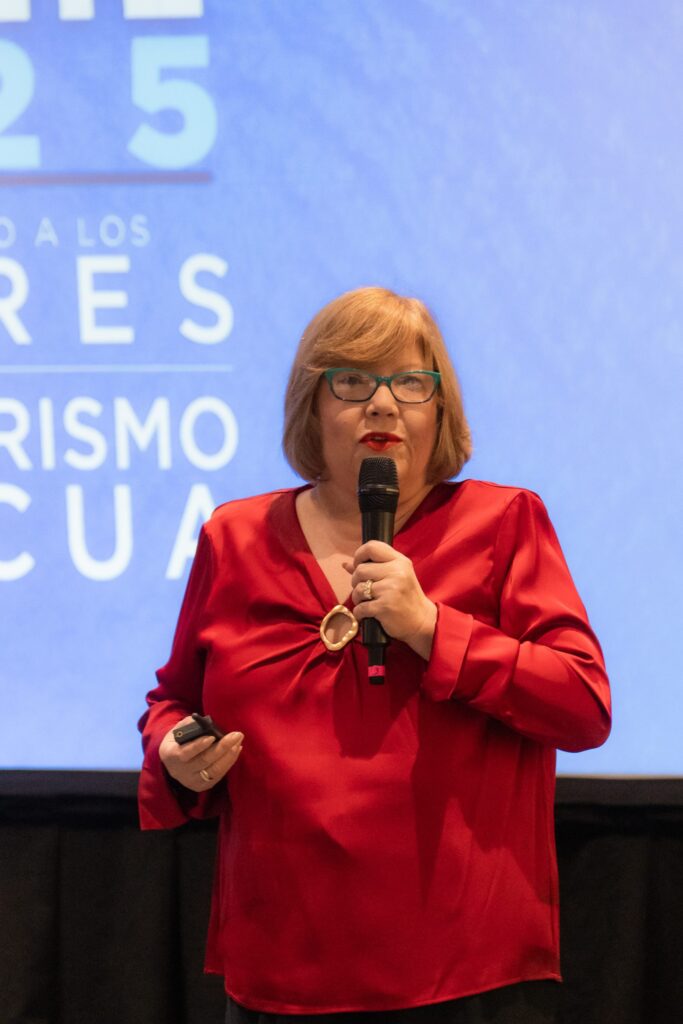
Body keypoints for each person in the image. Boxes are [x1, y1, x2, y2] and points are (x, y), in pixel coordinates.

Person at [138, 287, 611, 1024]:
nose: (383, 405)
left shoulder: (503, 524)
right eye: (353, 381)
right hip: (279, 971)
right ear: (312, 405)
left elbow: (582, 705)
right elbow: (173, 702)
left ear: (439, 409)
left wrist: (432, 627)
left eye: (410, 383)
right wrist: (172, 753)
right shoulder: (234, 539)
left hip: (463, 975)